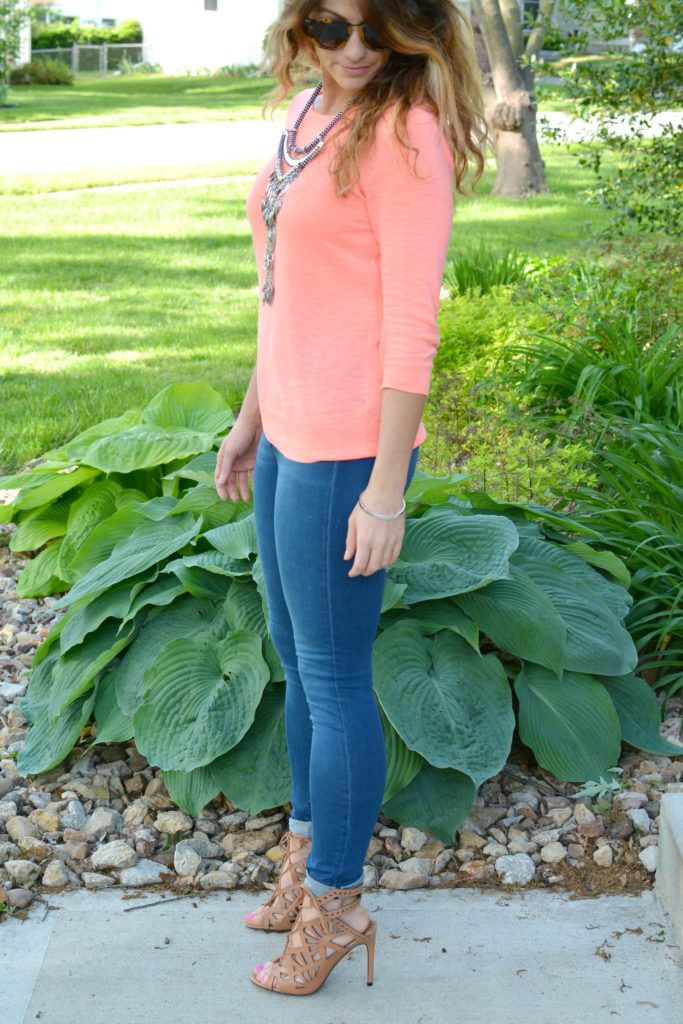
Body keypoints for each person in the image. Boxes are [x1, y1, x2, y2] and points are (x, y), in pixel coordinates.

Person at [213, 0, 486, 997]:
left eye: (380, 27)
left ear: (415, 31)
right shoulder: (302, 117)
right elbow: (280, 290)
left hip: (344, 454)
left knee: (331, 681)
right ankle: (301, 860)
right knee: (297, 665)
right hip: (287, 432)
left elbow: (410, 324)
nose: (358, 48)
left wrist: (383, 489)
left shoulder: (406, 133)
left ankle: (334, 903)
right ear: (301, 30)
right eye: (333, 27)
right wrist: (249, 418)